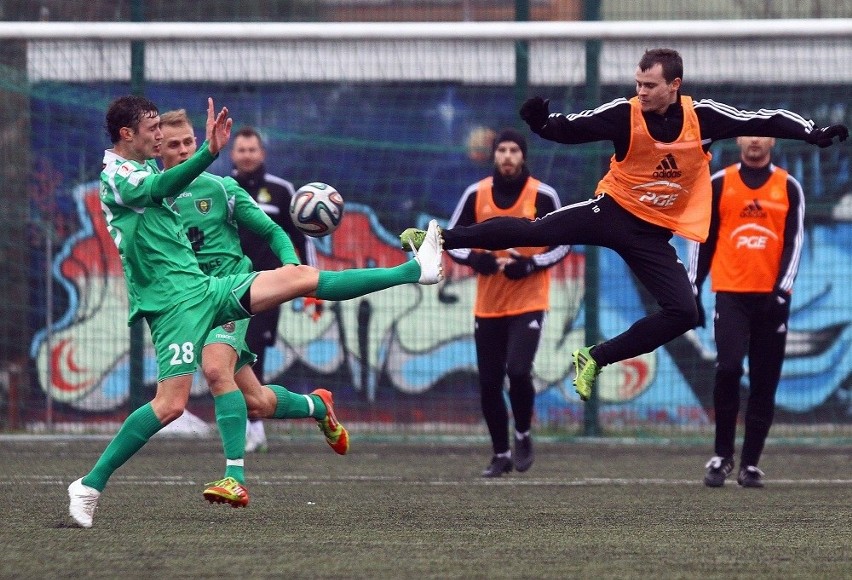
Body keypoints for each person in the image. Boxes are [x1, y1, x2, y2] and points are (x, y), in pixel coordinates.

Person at [67, 95, 443, 528]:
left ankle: (418, 269)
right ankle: (90, 484)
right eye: (156, 132)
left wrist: (205, 151)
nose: (165, 140)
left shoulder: (188, 177)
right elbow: (159, 188)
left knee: (301, 277)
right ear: (127, 134)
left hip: (208, 288)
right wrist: (209, 150)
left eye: (177, 137)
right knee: (176, 405)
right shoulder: (117, 176)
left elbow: (260, 222)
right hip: (172, 306)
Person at [401, 47, 847, 404]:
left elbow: (762, 119)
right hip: (611, 213)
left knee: (685, 313)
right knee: (535, 232)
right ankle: (437, 239)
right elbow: (573, 129)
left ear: (675, 85)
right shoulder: (626, 114)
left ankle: (595, 356)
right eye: (638, 83)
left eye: (650, 85)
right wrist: (540, 122)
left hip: (652, 236)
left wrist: (812, 132)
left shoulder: (702, 117)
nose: (642, 91)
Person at [158, 109, 349, 485]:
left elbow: (276, 231)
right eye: (173, 144)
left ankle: (234, 476)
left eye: (188, 143)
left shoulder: (223, 189)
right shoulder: (152, 197)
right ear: (157, 148)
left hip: (239, 292)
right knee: (256, 399)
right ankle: (317, 405)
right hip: (192, 303)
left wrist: (293, 270)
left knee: (215, 370)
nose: (182, 150)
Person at [446, 128, 570, 477]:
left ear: (523, 156)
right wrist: (475, 260)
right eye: (502, 150)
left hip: (529, 300)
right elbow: (450, 238)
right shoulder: (476, 194)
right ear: (494, 155)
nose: (508, 156)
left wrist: (532, 264)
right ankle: (500, 453)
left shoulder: (543, 195)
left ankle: (523, 434)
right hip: (488, 305)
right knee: (488, 382)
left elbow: (564, 243)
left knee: (517, 371)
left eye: (514, 150)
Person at [688, 136, 804, 488]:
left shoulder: (789, 186)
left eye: (761, 133)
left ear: (770, 139)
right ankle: (722, 456)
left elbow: (795, 240)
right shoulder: (719, 183)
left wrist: (781, 291)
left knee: (764, 383)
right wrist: (692, 290)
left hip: (772, 300)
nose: (755, 140)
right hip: (731, 297)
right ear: (740, 139)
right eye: (748, 133)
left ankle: (750, 464)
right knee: (728, 368)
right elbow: (702, 239)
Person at [228, 126, 318, 454]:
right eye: (241, 149)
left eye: (253, 149)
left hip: (268, 290)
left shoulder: (281, 192)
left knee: (252, 354)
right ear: (232, 153)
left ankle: (255, 428)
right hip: (225, 289)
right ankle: (245, 425)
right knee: (224, 356)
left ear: (262, 154)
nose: (247, 155)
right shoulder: (220, 190)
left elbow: (300, 238)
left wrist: (308, 284)